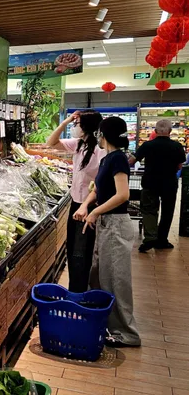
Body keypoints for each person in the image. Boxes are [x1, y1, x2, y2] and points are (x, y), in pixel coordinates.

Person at [74, 116, 140, 347]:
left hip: (116, 224)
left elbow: (123, 195)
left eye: (99, 133)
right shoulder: (106, 159)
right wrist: (85, 205)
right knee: (100, 276)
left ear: (104, 135)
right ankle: (104, 323)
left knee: (115, 279)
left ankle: (127, 334)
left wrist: (95, 212)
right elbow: (97, 189)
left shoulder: (118, 159)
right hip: (105, 223)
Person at [46, 110, 104, 292]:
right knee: (73, 249)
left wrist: (86, 206)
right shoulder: (79, 144)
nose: (74, 127)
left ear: (85, 127)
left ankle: (80, 292)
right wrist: (65, 122)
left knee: (82, 252)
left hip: (88, 206)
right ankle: (75, 290)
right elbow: (50, 142)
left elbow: (100, 183)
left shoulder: (99, 150)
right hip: (76, 204)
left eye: (76, 124)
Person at [129, 119, 185, 252]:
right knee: (167, 212)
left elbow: (131, 161)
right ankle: (162, 240)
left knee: (149, 210)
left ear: (155, 131)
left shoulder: (147, 145)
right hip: (169, 183)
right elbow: (179, 166)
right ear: (170, 131)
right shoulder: (177, 146)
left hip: (150, 182)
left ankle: (150, 237)